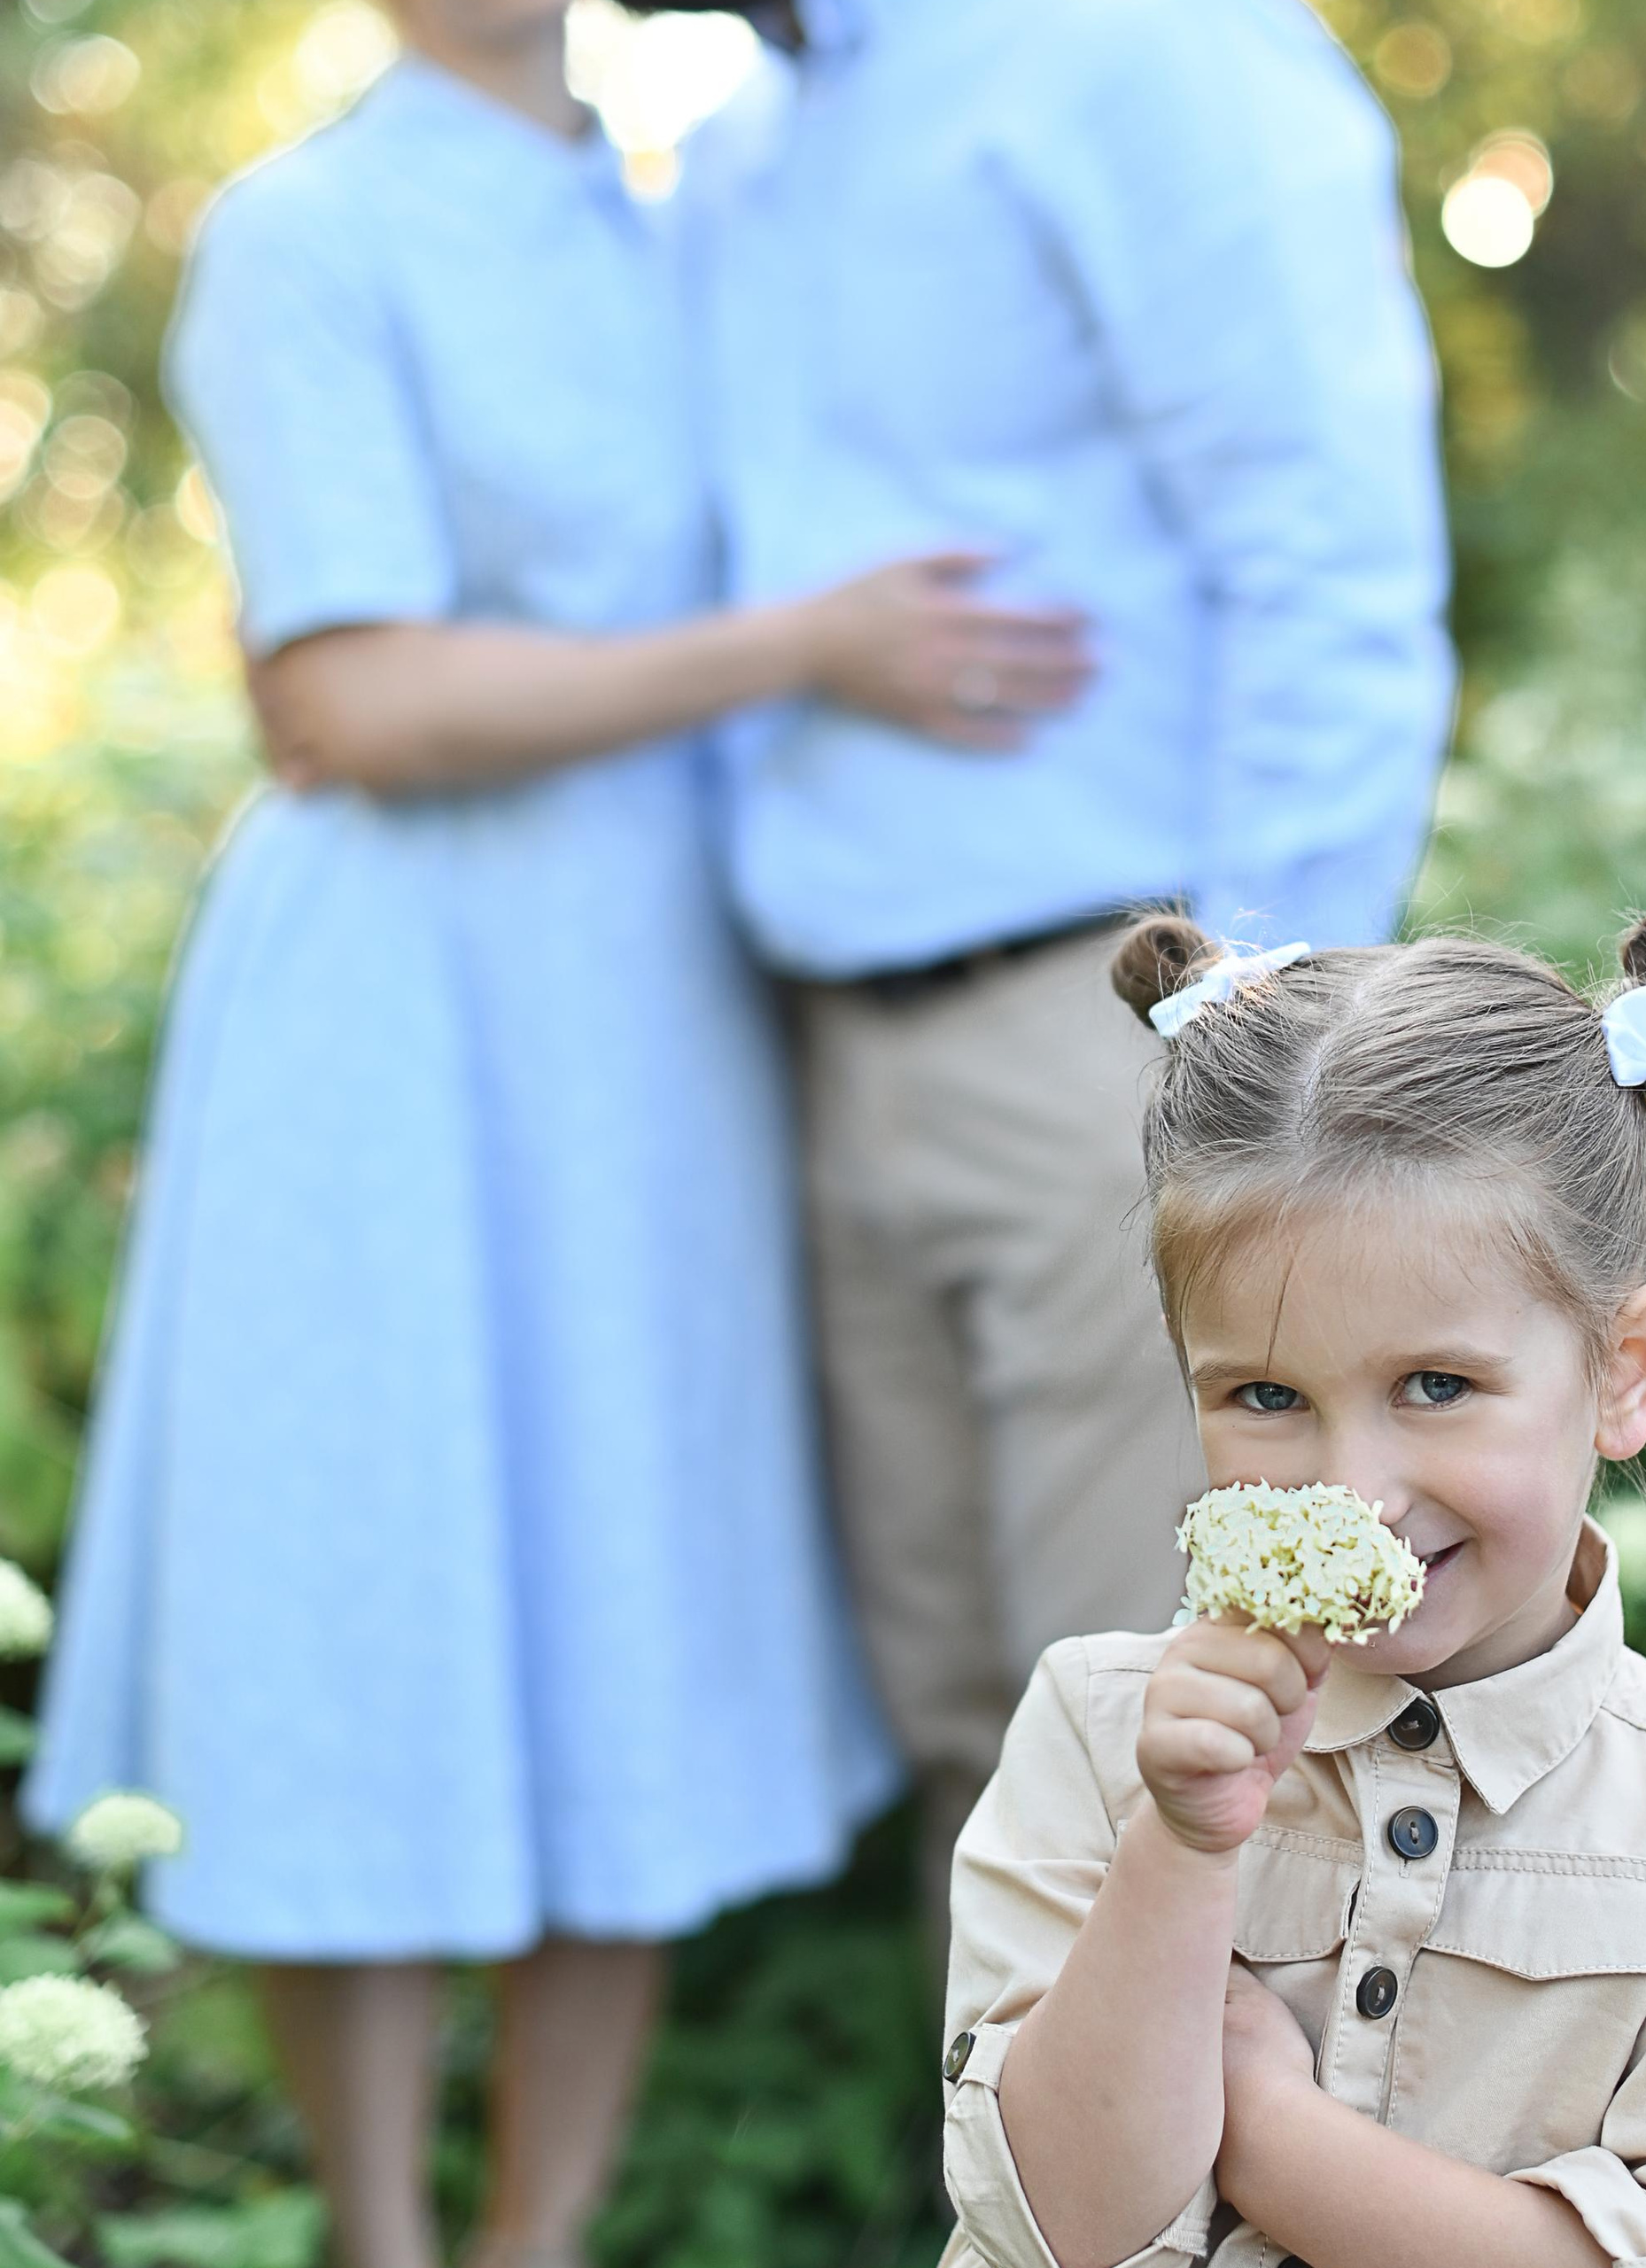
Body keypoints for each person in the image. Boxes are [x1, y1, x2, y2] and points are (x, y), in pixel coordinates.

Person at [23, 4, 1089, 2266]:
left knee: (619, 1606)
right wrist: (797, 647)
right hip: (397, 1024)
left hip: (665, 1026)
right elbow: (350, 700)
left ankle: (541, 2239)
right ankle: (386, 2237)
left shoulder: (695, 201)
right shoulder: (307, 231)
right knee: (380, 1609)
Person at [686, 0, 1456, 1933]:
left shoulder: (1139, 43)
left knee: (1178, 1744)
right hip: (826, 1042)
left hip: (1101, 1017)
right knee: (984, 1748)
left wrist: (1245, 1039)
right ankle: (1036, 2221)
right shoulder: (748, 133)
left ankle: (1234, 2232)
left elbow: (1331, 547)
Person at [936, 910, 1646, 2268]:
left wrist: (1267, 2129)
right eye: (1265, 1395)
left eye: (1437, 1386)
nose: (1353, 1489)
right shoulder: (1097, 1728)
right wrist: (1180, 1854)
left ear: (1621, 1371)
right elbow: (1054, 2227)